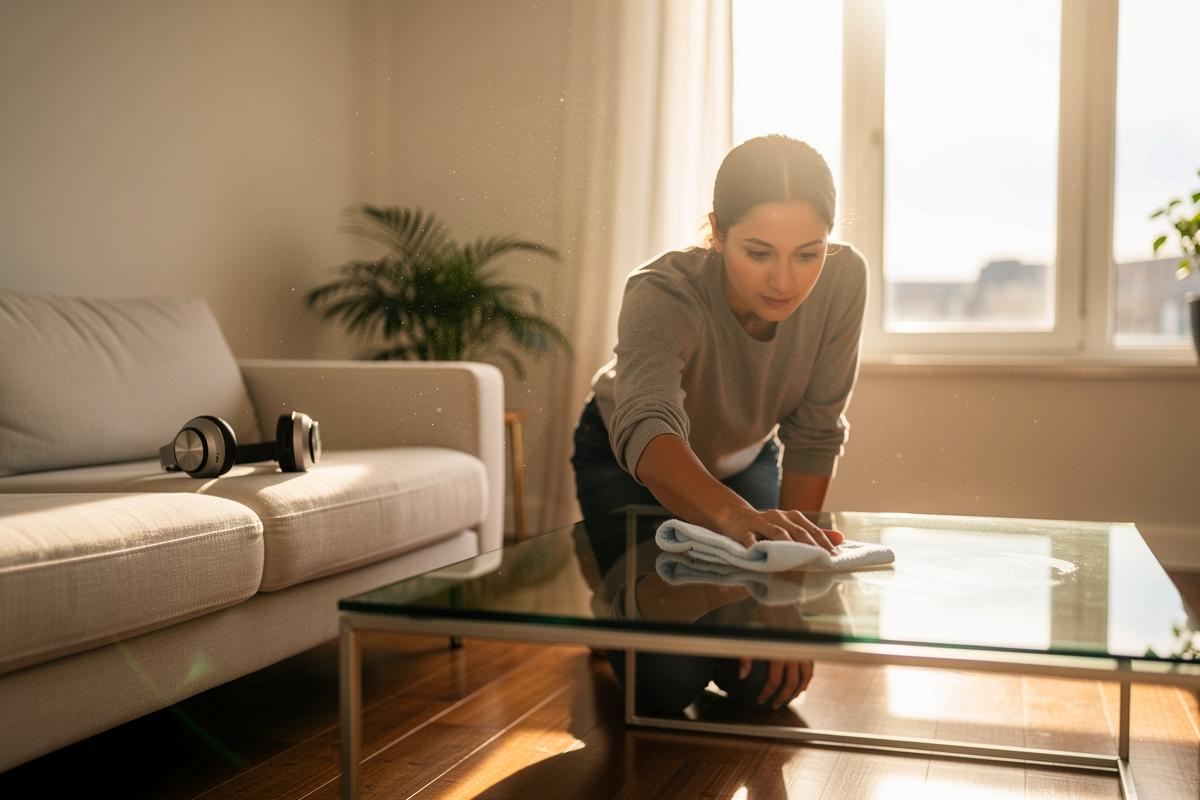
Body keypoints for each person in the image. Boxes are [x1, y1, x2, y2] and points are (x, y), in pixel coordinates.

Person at [570, 134, 868, 715]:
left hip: (742, 461)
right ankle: (612, 595)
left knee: (763, 681)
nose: (784, 281)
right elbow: (647, 424)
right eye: (759, 252)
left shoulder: (844, 279)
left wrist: (784, 592)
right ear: (717, 231)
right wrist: (737, 519)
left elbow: (815, 430)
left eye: (807, 253)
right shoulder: (663, 291)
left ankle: (652, 593)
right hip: (626, 460)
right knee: (665, 685)